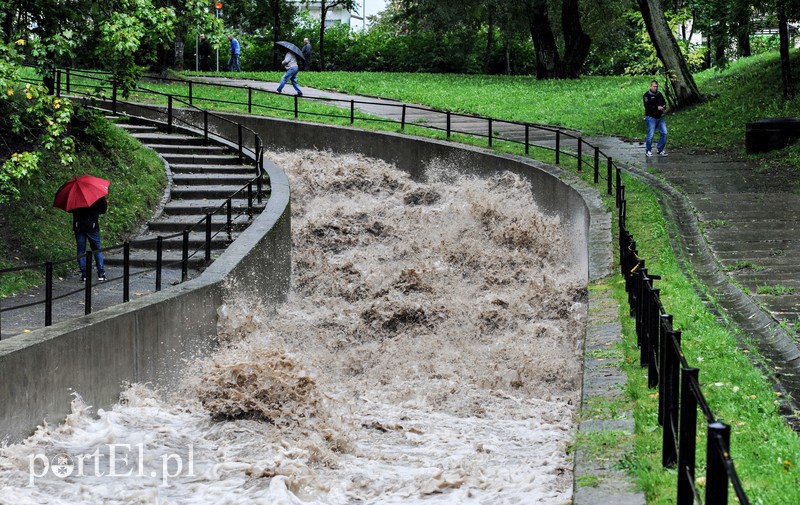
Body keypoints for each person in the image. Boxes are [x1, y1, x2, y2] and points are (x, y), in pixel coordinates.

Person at [72, 196, 107, 282]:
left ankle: (84, 274)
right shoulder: (95, 194)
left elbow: (70, 209)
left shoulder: (75, 195)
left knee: (81, 251)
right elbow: (103, 209)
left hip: (79, 226)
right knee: (97, 249)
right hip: (92, 226)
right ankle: (101, 273)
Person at [643, 80, 668, 157]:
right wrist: (656, 108)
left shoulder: (659, 94)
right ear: (651, 86)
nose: (655, 88)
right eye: (654, 86)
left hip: (659, 117)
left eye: (656, 86)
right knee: (650, 135)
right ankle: (648, 150)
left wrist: (663, 107)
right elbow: (647, 106)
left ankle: (660, 149)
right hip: (651, 117)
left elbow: (664, 103)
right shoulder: (647, 95)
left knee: (664, 132)